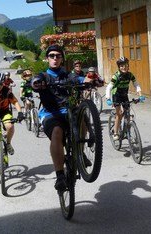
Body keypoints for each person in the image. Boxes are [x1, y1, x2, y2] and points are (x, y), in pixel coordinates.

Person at [31, 44, 92, 191]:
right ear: (47, 59)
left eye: (58, 56)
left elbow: (80, 79)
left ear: (62, 59)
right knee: (57, 132)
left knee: (82, 119)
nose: (55, 58)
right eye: (51, 56)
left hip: (68, 112)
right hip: (50, 114)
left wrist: (92, 81)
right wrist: (35, 83)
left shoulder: (68, 75)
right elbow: (34, 81)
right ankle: (59, 176)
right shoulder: (43, 76)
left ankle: (79, 151)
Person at [105, 57, 142, 140]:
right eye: (121, 66)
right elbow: (109, 87)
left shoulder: (130, 75)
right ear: (119, 67)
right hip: (116, 95)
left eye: (125, 65)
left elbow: (136, 84)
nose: (124, 67)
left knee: (128, 112)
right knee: (119, 114)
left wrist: (140, 95)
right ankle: (115, 132)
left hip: (124, 95)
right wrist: (108, 99)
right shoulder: (116, 76)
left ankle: (127, 130)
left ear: (128, 66)